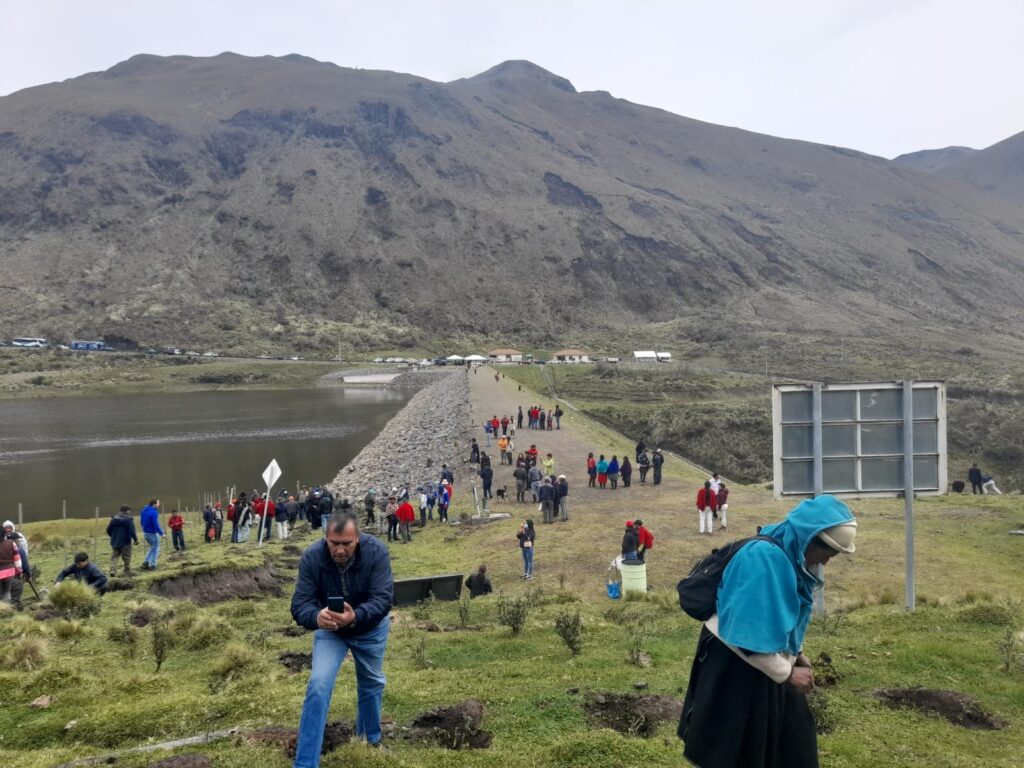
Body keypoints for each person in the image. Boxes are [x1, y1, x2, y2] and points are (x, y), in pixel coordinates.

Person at [679, 495, 857, 768]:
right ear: (810, 539)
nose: (826, 562)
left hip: (764, 662)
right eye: (827, 554)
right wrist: (787, 673)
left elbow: (777, 614)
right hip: (734, 665)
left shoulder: (788, 553)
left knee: (789, 744)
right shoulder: (763, 559)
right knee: (739, 751)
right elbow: (744, 634)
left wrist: (797, 652)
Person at [290, 513, 394, 764]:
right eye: (334, 543)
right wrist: (316, 617)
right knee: (318, 684)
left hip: (370, 628)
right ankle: (305, 763)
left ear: (358, 537)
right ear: (325, 538)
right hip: (331, 631)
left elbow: (383, 598)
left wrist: (355, 616)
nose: (339, 550)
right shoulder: (312, 557)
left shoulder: (377, 552)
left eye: (346, 543)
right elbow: (300, 603)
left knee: (371, 683)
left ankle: (369, 740)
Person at [106, 506, 138, 576]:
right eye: (129, 510)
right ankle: (127, 571)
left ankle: (112, 571)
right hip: (126, 541)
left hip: (115, 541)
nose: (130, 512)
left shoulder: (114, 519)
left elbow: (108, 529)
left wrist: (113, 536)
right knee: (126, 557)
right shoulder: (129, 519)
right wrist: (135, 540)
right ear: (127, 511)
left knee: (114, 556)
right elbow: (132, 530)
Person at [140, 499, 164, 570]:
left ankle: (146, 562)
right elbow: (155, 524)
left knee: (152, 547)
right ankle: (153, 565)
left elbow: (141, 522)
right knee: (156, 549)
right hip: (152, 534)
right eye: (158, 503)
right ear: (154, 504)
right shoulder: (154, 512)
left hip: (145, 533)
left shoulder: (143, 511)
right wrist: (161, 533)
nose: (159, 505)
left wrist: (145, 528)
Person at [0, 531, 23, 603]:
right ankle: (6, 607)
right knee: (6, 592)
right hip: (9, 572)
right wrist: (19, 571)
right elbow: (17, 559)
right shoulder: (11, 543)